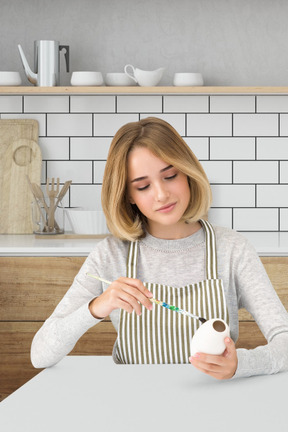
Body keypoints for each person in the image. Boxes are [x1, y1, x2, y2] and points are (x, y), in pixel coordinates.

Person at [31, 117, 288, 380]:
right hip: (134, 408)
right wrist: (97, 306)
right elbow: (40, 354)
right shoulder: (109, 256)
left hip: (214, 408)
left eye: (170, 176)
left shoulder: (233, 250)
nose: (161, 194)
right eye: (143, 186)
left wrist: (240, 364)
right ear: (128, 195)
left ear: (187, 172)